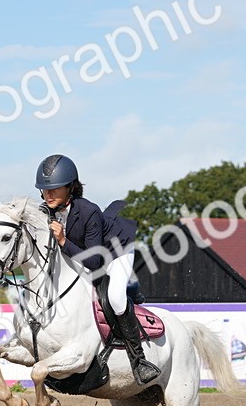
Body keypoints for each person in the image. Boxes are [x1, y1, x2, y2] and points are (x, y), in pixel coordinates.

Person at [35, 153, 160, 384]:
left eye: (55, 188)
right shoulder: (47, 210)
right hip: (86, 251)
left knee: (115, 298)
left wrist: (63, 241)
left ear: (71, 188)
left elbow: (94, 263)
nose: (48, 194)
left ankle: (139, 360)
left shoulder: (88, 211)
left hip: (115, 251)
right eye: (44, 189)